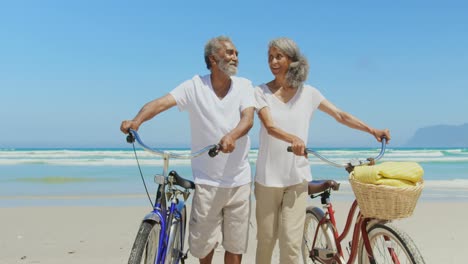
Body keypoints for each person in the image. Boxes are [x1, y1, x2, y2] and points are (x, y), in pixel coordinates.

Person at [254, 37, 391, 264]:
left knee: (290, 244)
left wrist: (371, 130)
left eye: (279, 56)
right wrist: (293, 138)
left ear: (292, 60)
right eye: (270, 57)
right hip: (267, 179)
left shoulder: (309, 93)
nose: (273, 61)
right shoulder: (260, 92)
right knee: (266, 242)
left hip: (297, 178)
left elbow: (340, 115)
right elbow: (269, 126)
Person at [120, 36, 255, 264]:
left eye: (236, 53)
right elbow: (160, 104)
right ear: (213, 59)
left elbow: (248, 118)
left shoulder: (244, 86)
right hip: (207, 181)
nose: (235, 57)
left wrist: (232, 136)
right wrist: (136, 121)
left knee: (235, 246)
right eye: (230, 53)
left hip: (238, 181)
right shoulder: (194, 86)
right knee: (203, 247)